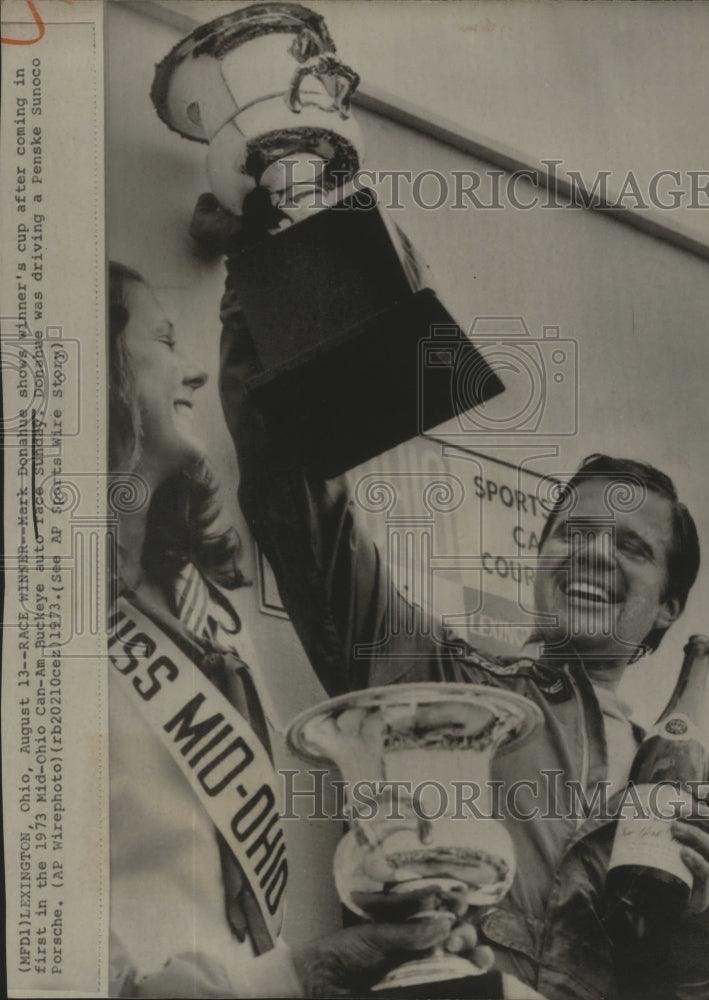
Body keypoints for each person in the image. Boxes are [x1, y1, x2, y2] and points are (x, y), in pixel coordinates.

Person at [196, 198, 709, 1000]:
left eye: (629, 545)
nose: (592, 552)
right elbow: (299, 507)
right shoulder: (442, 674)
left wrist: (700, 913)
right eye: (574, 531)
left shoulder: (676, 769)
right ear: (539, 557)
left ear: (665, 608)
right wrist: (281, 271)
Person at [105, 261, 494, 999]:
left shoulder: (208, 607)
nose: (189, 372)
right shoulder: (37, 625)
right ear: (97, 373)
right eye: (163, 340)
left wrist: (309, 974)